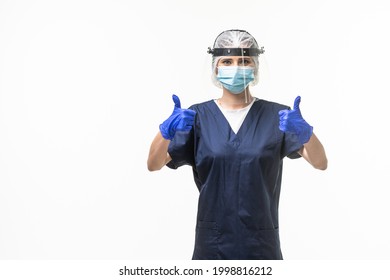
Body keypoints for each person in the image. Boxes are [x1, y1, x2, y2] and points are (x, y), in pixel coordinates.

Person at [147, 29, 327, 260]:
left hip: (261, 242)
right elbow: (154, 163)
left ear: (255, 67)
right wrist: (165, 132)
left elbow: (320, 162)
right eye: (227, 61)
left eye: (244, 60)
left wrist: (306, 134)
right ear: (215, 68)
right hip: (212, 242)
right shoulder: (197, 116)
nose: (236, 67)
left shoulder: (278, 116)